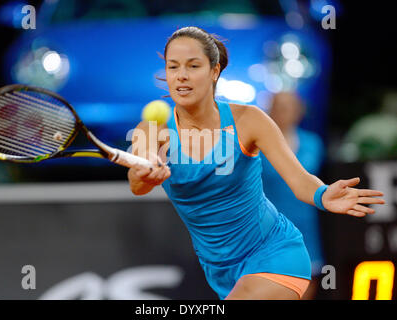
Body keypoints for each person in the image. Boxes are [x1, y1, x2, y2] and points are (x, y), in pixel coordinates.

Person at [127, 26, 385, 300]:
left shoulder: (249, 120)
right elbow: (136, 181)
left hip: (275, 253)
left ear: (214, 71)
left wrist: (323, 194)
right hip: (221, 271)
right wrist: (146, 175)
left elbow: (298, 180)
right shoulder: (152, 130)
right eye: (173, 67)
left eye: (193, 66)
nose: (181, 76)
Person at [261, 92, 326, 299]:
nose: (284, 112)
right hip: (267, 235)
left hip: (306, 232)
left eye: (289, 107)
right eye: (278, 107)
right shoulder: (256, 146)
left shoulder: (313, 143)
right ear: (270, 111)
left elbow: (307, 181)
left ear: (299, 111)